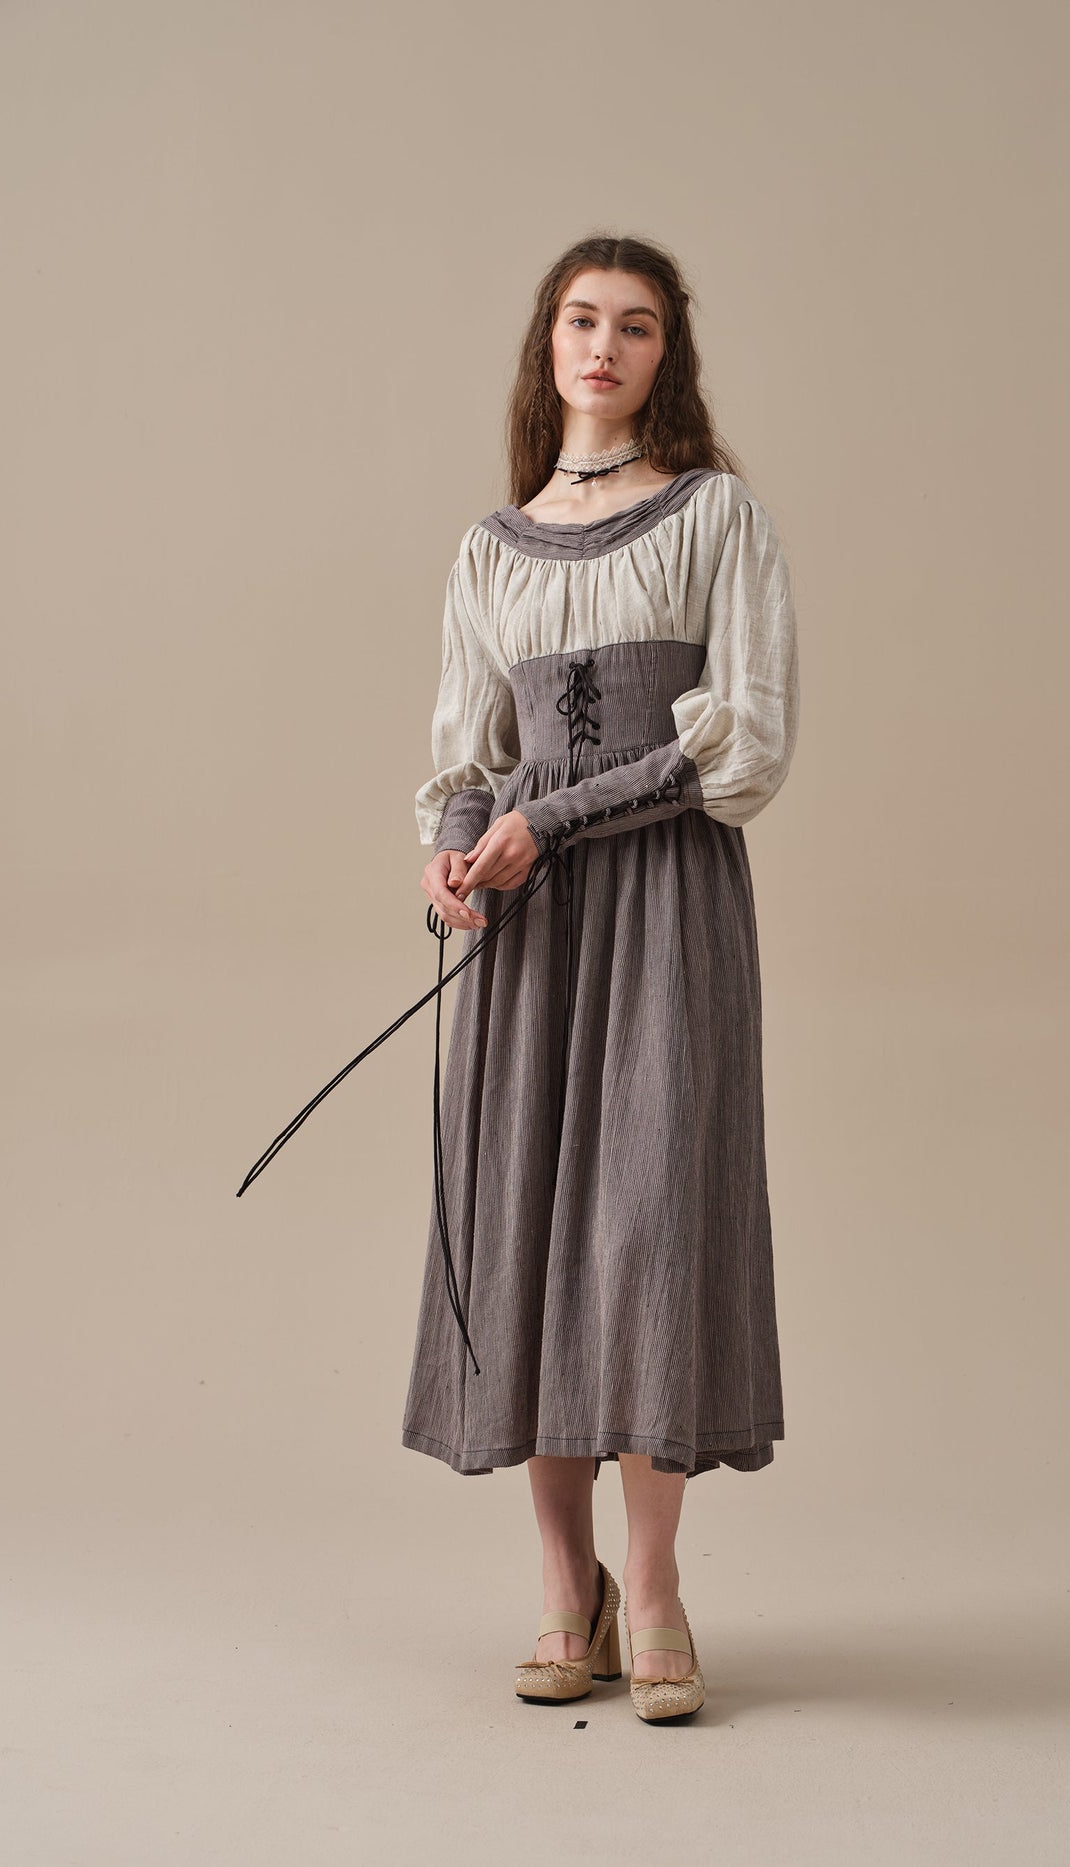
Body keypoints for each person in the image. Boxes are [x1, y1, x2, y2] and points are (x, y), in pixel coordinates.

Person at [404, 233, 800, 1723]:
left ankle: (659, 1580)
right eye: (582, 320)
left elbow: (743, 738)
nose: (604, 346)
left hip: (662, 902)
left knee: (644, 1223)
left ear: (664, 355)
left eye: (636, 326)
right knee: (528, 1220)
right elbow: (473, 742)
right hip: (531, 923)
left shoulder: (715, 516)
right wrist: (454, 850)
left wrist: (550, 819)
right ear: (550, 343)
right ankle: (568, 1588)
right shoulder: (492, 547)